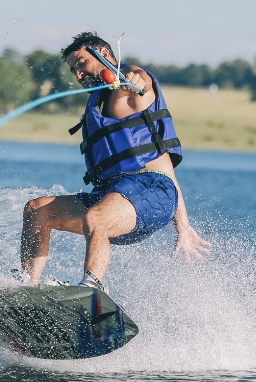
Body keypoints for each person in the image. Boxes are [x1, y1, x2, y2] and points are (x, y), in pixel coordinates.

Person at [18, 32, 211, 289]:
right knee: (37, 209)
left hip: (151, 192)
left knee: (95, 217)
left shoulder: (130, 91)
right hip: (113, 197)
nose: (78, 74)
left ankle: (91, 289)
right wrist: (184, 227)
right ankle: (26, 287)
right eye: (73, 69)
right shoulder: (99, 103)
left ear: (104, 55)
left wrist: (183, 226)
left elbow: (141, 83)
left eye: (82, 63)